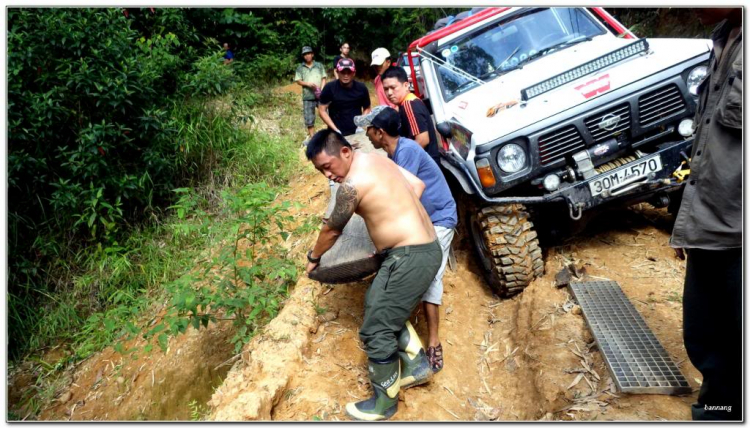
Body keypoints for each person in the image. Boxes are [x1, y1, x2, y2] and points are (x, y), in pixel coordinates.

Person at [305, 129, 442, 421]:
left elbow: (331, 230)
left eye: (328, 166)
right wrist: (388, 220)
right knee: (377, 301)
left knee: (375, 329)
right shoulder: (377, 160)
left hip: (409, 256)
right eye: (320, 171)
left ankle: (384, 402)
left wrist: (313, 258)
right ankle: (417, 365)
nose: (327, 176)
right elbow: (416, 186)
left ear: (344, 152)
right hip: (425, 247)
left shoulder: (352, 184)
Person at [669, 7, 741, 421]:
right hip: (710, 224)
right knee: (706, 339)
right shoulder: (722, 38)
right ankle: (716, 411)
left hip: (739, 231)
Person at [355, 106, 457, 374]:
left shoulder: (407, 151)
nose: (367, 135)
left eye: (369, 130)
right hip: (424, 219)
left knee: (430, 278)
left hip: (438, 219)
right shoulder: (395, 152)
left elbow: (407, 190)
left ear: (380, 132)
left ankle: (433, 341)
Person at [382, 66, 440, 164]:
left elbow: (422, 140)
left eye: (393, 87)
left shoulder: (409, 104)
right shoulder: (409, 102)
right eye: (386, 89)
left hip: (425, 167)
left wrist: (405, 162)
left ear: (406, 85)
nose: (389, 93)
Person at [318, 58, 371, 137]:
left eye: (349, 72)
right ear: (337, 72)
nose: (346, 75)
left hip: (356, 131)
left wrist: (360, 125)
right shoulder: (330, 88)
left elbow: (367, 108)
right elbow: (322, 110)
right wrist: (335, 130)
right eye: (343, 72)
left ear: (354, 73)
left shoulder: (361, 88)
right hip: (335, 132)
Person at [294, 46, 327, 142]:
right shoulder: (300, 68)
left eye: (309, 53)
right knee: (309, 117)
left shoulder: (319, 65)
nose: (307, 56)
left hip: (320, 95)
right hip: (307, 96)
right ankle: (313, 138)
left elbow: (323, 78)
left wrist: (322, 90)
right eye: (305, 54)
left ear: (312, 54)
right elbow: (298, 81)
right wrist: (307, 84)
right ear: (303, 56)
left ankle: (331, 132)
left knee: (327, 113)